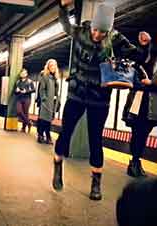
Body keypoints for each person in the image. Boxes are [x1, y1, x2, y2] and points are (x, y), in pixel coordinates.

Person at [52, 0, 151, 200]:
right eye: (96, 30)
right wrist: (63, 6)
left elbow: (138, 57)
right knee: (66, 132)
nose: (97, 35)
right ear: (93, 26)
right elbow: (65, 25)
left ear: (109, 30)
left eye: (102, 32)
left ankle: (96, 183)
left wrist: (145, 45)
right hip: (76, 94)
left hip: (100, 98)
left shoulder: (115, 38)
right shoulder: (81, 32)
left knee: (95, 139)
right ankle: (57, 164)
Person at [123, 32, 157, 178]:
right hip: (140, 99)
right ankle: (134, 162)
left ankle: (135, 162)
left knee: (143, 132)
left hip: (151, 101)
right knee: (138, 131)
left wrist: (152, 83)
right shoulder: (142, 57)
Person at [37, 59, 60, 144]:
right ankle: (41, 135)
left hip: (52, 102)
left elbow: (56, 91)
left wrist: (57, 100)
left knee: (49, 120)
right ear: (48, 67)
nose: (53, 67)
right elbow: (42, 89)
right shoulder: (45, 76)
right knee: (44, 119)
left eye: (54, 65)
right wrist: (44, 99)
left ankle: (46, 136)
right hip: (46, 102)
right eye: (51, 65)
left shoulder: (55, 78)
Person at [15, 68, 35, 133]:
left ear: (26, 74)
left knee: (25, 113)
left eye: (24, 73)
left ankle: (23, 128)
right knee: (19, 111)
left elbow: (34, 90)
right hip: (19, 98)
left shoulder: (30, 81)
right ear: (20, 74)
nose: (23, 74)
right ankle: (29, 123)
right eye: (22, 73)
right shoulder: (18, 82)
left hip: (27, 99)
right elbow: (15, 92)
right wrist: (16, 91)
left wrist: (26, 91)